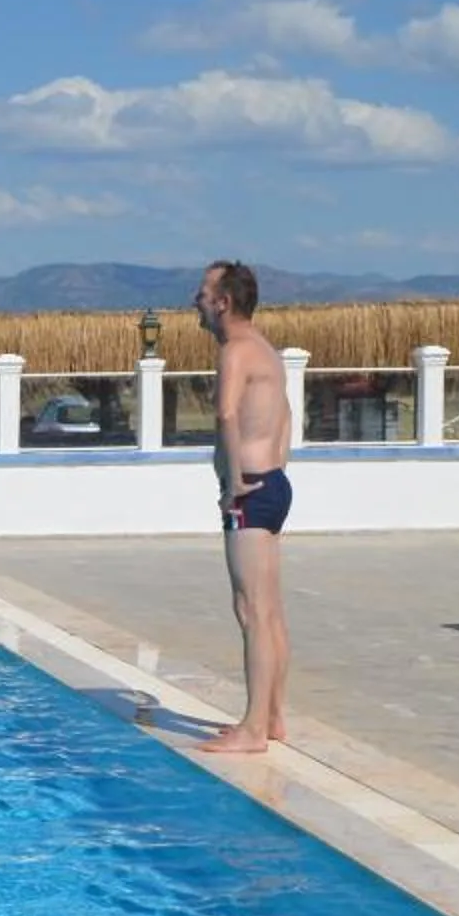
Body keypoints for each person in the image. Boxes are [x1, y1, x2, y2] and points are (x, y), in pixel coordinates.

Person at [198, 259, 291, 753]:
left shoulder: (235, 351)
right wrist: (275, 465)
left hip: (250, 490)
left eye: (203, 292)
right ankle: (273, 715)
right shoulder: (266, 351)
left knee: (251, 609)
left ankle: (253, 730)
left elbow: (226, 413)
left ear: (223, 302)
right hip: (273, 483)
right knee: (269, 609)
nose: (196, 301)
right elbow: (288, 416)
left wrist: (234, 481)